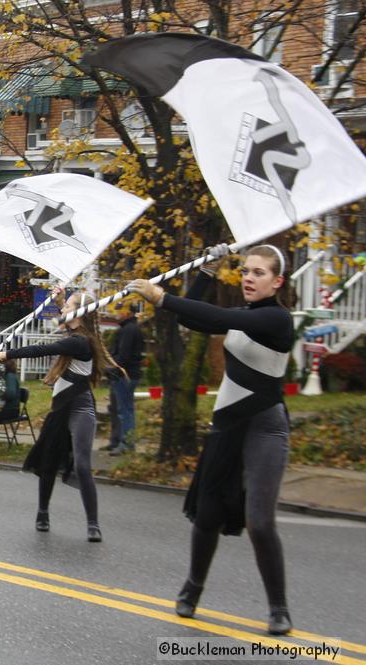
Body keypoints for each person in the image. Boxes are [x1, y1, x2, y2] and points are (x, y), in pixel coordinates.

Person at [128, 244, 295, 636]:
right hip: (226, 426)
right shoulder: (243, 316)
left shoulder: (276, 320)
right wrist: (207, 273)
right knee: (206, 516)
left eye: (259, 272)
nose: (249, 278)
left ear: (277, 281)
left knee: (259, 521)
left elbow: (213, 315)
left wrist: (162, 297)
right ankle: (193, 588)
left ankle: (278, 608)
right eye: (246, 271)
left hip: (264, 428)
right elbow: (196, 320)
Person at [0, 288, 122, 543]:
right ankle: (43, 512)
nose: (62, 310)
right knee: (48, 461)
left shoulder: (81, 342)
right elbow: (66, 321)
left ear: (80, 313)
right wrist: (61, 297)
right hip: (60, 408)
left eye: (67, 306)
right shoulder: (74, 333)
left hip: (80, 406)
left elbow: (41, 348)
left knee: (82, 464)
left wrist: (4, 354)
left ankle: (93, 524)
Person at [105, 304, 144, 455]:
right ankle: (118, 440)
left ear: (127, 313)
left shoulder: (129, 330)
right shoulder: (129, 328)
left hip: (124, 375)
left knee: (125, 410)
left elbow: (123, 356)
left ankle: (127, 444)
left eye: (118, 310)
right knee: (120, 409)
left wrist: (110, 368)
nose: (115, 313)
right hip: (125, 374)